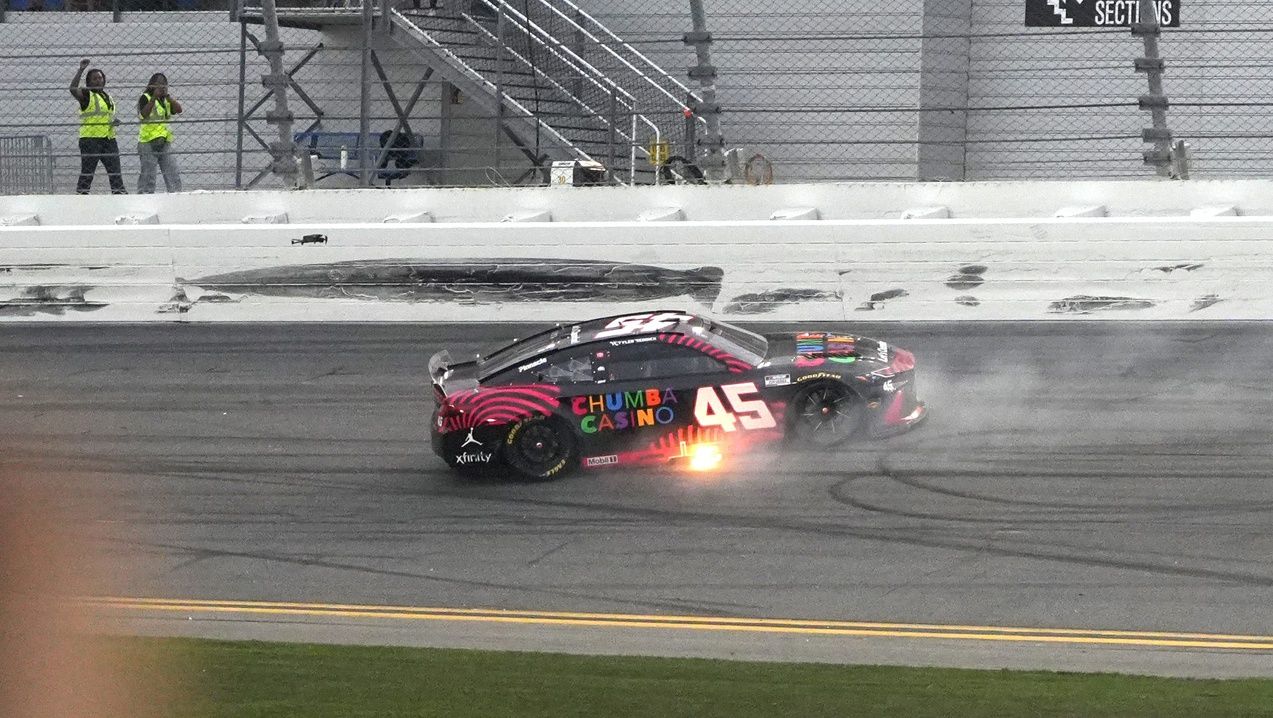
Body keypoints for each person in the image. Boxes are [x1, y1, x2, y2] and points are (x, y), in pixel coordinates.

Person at [69, 59, 126, 195]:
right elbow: (73, 89)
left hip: (108, 139)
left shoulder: (107, 97)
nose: (98, 81)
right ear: (89, 82)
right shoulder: (87, 95)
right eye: (94, 79)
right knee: (88, 172)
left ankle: (119, 194)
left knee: (115, 172)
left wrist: (112, 122)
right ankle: (81, 196)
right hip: (91, 140)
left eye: (100, 78)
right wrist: (81, 70)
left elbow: (103, 116)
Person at [137, 72, 183, 193]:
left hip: (164, 141)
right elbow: (143, 114)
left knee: (172, 172)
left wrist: (169, 97)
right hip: (148, 142)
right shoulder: (145, 97)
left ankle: (176, 195)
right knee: (148, 176)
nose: (161, 87)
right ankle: (145, 197)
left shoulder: (166, 100)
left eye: (164, 84)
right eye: (158, 84)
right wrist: (154, 97)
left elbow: (179, 110)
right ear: (152, 85)